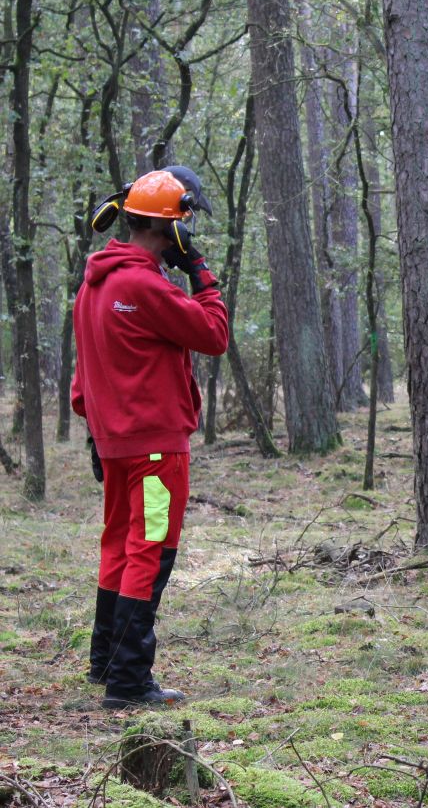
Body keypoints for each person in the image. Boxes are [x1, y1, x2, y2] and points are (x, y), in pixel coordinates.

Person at [73, 166, 229, 708]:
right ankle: (129, 681)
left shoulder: (96, 283)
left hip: (117, 444)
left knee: (119, 544)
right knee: (150, 549)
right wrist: (201, 272)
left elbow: (81, 375)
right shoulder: (144, 284)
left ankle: (106, 662)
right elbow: (214, 334)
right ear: (174, 230)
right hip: (156, 448)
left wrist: (98, 430)